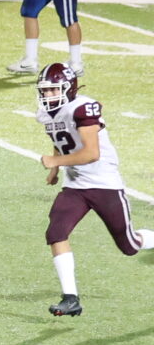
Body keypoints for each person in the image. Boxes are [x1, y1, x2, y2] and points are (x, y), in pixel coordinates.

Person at [29, 64, 145, 317]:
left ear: (68, 88)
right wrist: (55, 168)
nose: (48, 95)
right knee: (56, 231)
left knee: (130, 245)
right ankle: (70, 298)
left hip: (103, 182)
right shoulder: (47, 113)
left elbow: (91, 153)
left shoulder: (83, 108)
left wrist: (56, 161)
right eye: (45, 90)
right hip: (75, 184)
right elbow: (60, 138)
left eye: (53, 90)